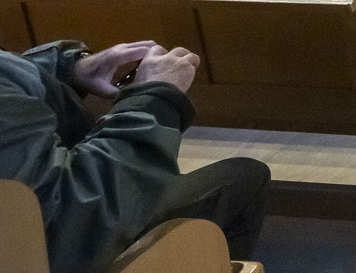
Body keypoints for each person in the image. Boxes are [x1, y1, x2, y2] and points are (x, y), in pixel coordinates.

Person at [0, 38, 269, 273]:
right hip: (59, 246)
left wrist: (62, 71)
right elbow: (76, 216)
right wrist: (154, 98)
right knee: (243, 179)